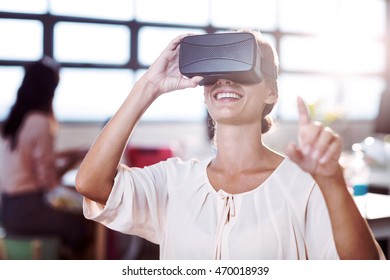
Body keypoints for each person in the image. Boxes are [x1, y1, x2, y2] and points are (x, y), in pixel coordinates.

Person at [75, 30, 384, 260]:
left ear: (271, 92)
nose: (225, 80)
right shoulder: (175, 181)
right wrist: (149, 87)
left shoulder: (304, 184)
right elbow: (91, 183)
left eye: (241, 69)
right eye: (215, 73)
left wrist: (332, 183)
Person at [0, 57, 90, 259]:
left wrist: (70, 154)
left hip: (6, 209)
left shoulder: (12, 121)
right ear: (48, 91)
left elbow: (25, 156)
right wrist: (73, 162)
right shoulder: (40, 122)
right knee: (80, 227)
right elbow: (48, 183)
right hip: (28, 211)